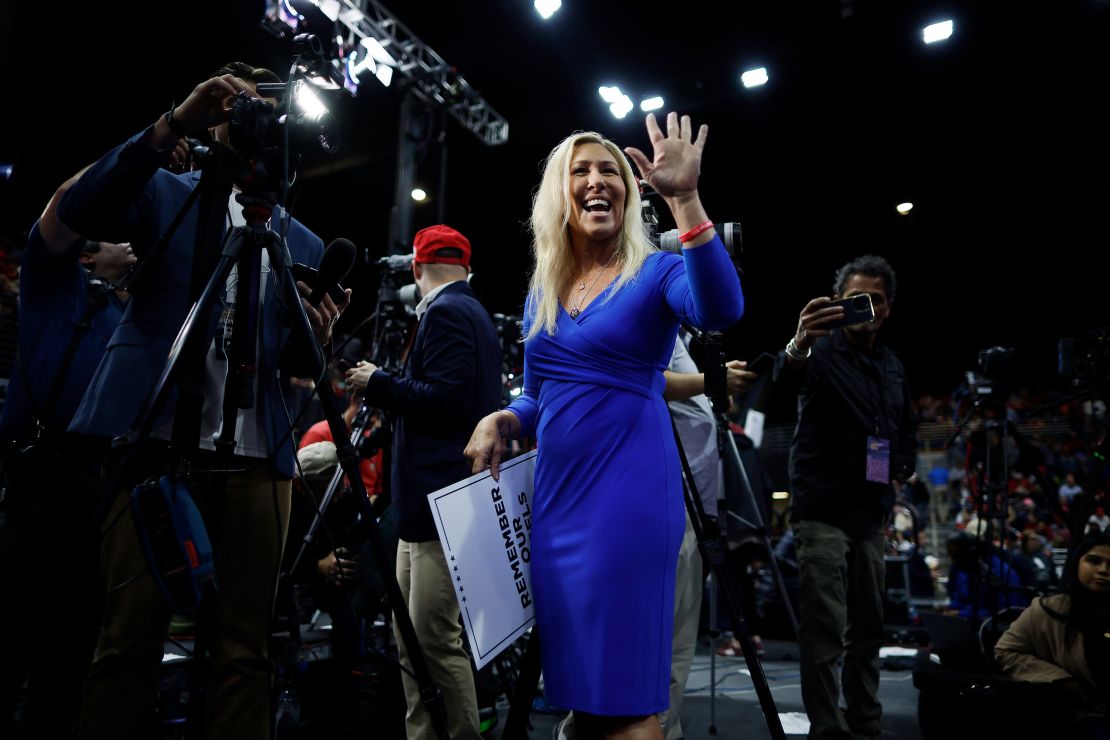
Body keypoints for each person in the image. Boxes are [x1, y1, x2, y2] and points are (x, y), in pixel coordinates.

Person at [55, 62, 343, 740]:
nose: (254, 118)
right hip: (155, 443)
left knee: (247, 651)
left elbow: (293, 367)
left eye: (269, 107)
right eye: (238, 103)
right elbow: (81, 209)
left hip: (256, 457)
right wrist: (172, 124)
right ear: (215, 115)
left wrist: (318, 340)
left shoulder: (297, 240)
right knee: (127, 641)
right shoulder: (166, 194)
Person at [465, 112, 744, 739]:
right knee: (583, 703)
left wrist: (685, 200)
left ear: (629, 191)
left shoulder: (656, 273)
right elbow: (541, 396)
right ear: (559, 195)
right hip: (559, 513)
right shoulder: (544, 291)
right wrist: (503, 415)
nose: (597, 181)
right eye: (581, 171)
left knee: (628, 706)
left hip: (627, 506)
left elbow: (723, 308)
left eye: (610, 171)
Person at [345, 224, 501, 740]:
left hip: (438, 504)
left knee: (431, 638)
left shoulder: (449, 311)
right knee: (412, 637)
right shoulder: (466, 308)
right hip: (429, 506)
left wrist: (379, 383)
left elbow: (449, 402)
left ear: (415, 268)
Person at [0, 170, 135, 738]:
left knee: (71, 650)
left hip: (96, 489)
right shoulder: (54, 287)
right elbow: (62, 204)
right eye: (114, 241)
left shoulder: (132, 314)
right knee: (13, 634)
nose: (130, 246)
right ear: (86, 259)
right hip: (40, 479)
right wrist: (153, 143)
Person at [772, 255, 917, 739]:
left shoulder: (892, 365)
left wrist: (902, 466)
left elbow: (904, 425)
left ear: (889, 308)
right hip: (822, 510)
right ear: (839, 302)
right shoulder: (820, 350)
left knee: (870, 626)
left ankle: (866, 722)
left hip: (870, 511)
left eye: (876, 300)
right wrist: (798, 343)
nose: (868, 308)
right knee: (826, 627)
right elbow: (781, 383)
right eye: (858, 299)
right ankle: (827, 731)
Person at [994, 532, 1110, 736]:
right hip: (1078, 718)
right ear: (1077, 564)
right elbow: (1006, 651)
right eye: (1094, 561)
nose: (1103, 570)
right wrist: (1060, 679)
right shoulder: (1046, 610)